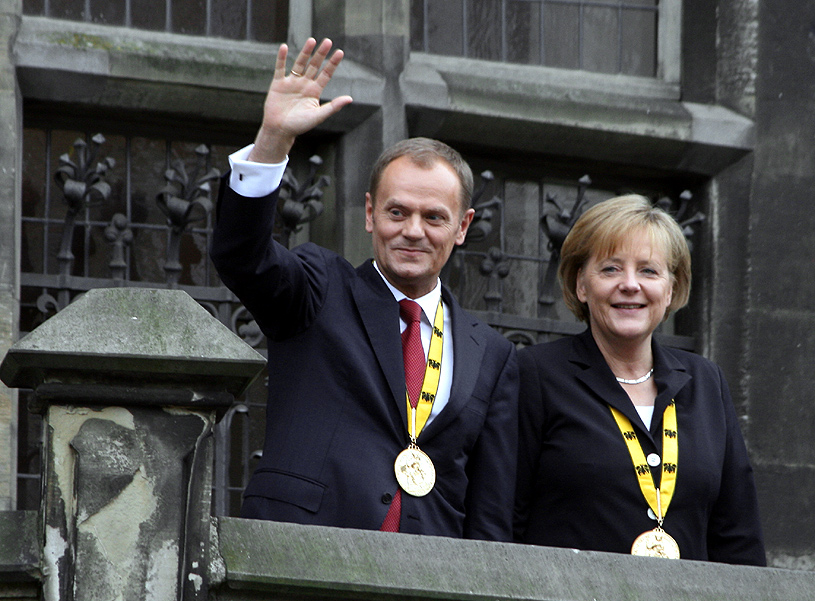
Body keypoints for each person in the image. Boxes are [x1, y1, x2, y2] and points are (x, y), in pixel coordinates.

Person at [211, 39, 518, 540]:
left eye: (433, 217)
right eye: (398, 212)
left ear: (462, 227)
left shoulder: (494, 355)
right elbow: (241, 256)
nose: (413, 230)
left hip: (429, 578)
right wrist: (273, 140)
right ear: (372, 214)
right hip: (306, 554)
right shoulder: (318, 288)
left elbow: (490, 507)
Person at [515, 195, 765, 563]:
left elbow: (738, 535)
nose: (630, 284)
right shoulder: (534, 374)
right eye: (611, 269)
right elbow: (505, 516)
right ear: (582, 285)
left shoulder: (706, 382)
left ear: (670, 289)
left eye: (648, 271)